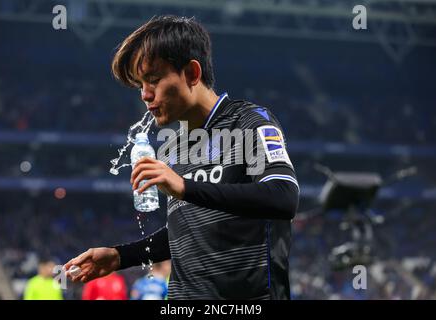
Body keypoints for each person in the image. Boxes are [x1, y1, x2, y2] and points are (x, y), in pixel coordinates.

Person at [64, 15, 299, 299]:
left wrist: (185, 187)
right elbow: (184, 233)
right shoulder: (175, 147)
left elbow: (283, 196)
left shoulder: (249, 122)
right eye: (140, 85)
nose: (145, 95)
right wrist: (120, 256)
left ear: (191, 74)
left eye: (153, 80)